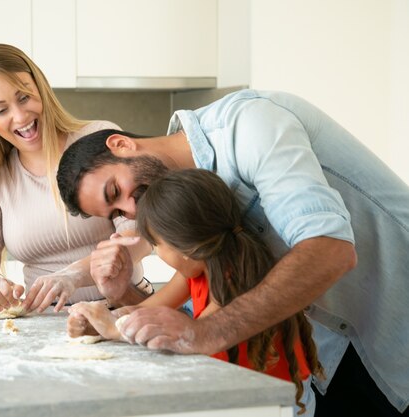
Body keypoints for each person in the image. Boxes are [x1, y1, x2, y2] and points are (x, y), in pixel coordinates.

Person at [56, 89, 409, 416]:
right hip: (333, 354)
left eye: (115, 190)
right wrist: (120, 311)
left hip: (394, 324)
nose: (129, 210)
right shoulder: (191, 196)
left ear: (121, 145)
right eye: (116, 213)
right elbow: (195, 288)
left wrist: (203, 332)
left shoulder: (251, 125)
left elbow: (330, 250)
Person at [69, 169, 324, 416]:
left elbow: (186, 340)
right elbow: (146, 311)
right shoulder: (196, 272)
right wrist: (98, 321)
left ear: (184, 249)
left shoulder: (236, 285)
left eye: (157, 246)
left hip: (275, 403)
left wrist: (115, 329)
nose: (159, 253)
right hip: (240, 396)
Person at [0, 43, 152, 318]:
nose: (21, 117)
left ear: (40, 88)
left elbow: (139, 234)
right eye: (0, 110)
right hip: (43, 321)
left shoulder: (98, 138)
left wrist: (72, 276)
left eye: (24, 97)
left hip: (125, 309)